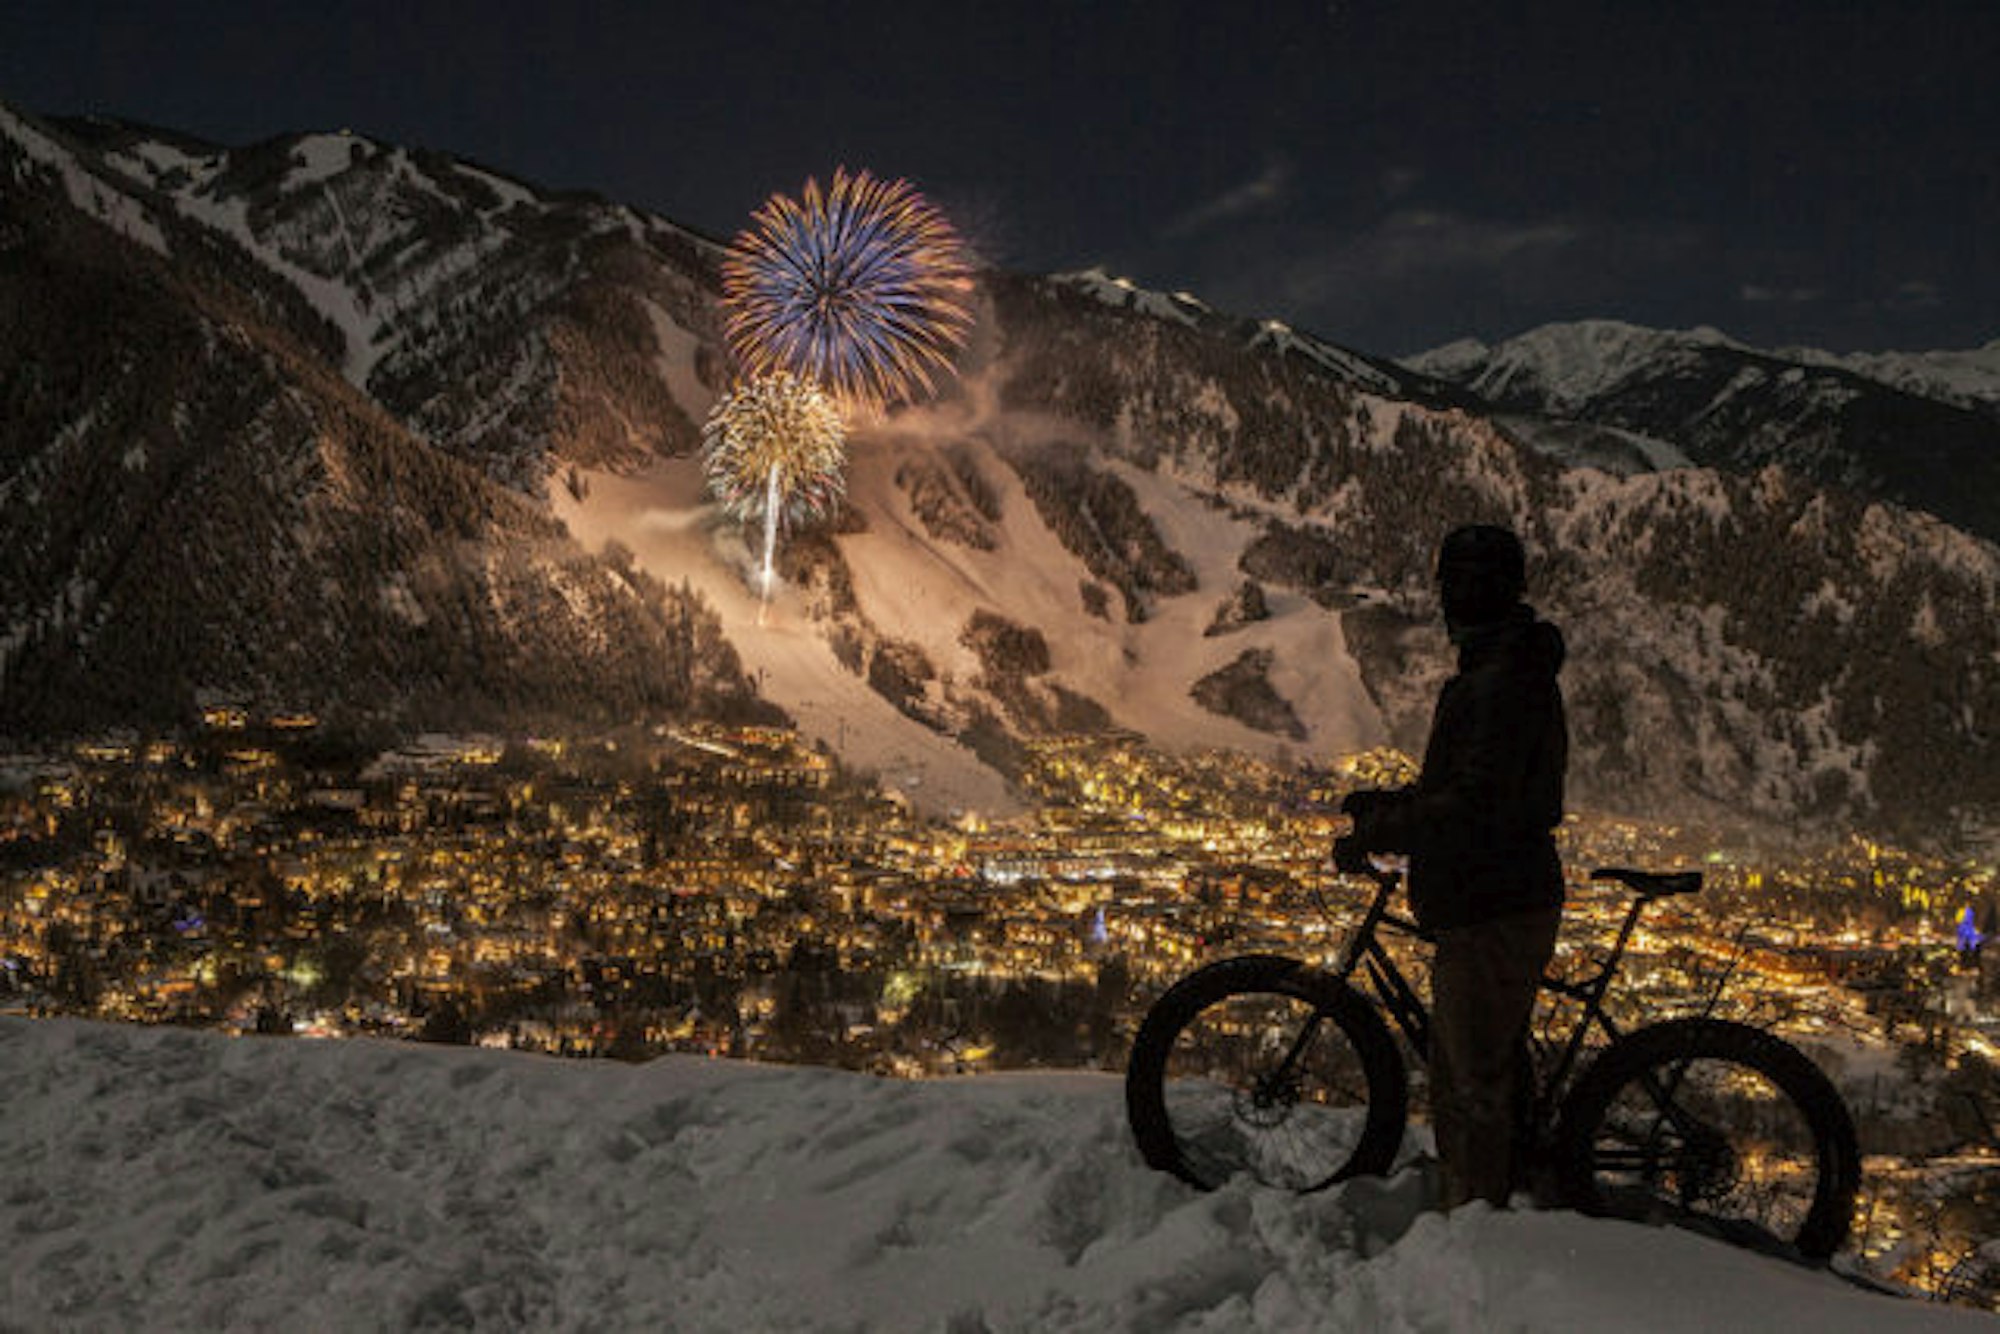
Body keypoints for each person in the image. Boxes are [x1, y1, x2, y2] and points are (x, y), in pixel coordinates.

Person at [1332, 523, 1567, 1210]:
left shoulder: (1499, 681)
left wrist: (1378, 832)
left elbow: (1471, 806)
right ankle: (1508, 1192)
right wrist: (1389, 805)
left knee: (1471, 1083)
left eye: (1455, 585)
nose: (1447, 600)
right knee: (1487, 1065)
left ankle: (1477, 1223)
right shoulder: (1506, 669)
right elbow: (1465, 790)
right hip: (1498, 890)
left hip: (1491, 900)